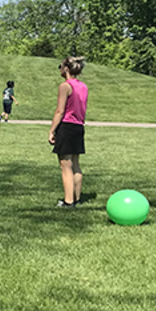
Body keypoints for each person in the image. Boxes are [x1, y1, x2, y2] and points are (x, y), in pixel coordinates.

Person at [48, 56, 88, 208]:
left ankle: (68, 201)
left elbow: (60, 110)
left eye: (60, 66)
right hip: (79, 127)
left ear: (65, 69)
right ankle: (76, 198)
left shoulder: (65, 86)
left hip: (66, 126)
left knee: (65, 165)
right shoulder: (83, 86)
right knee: (76, 164)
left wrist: (52, 131)